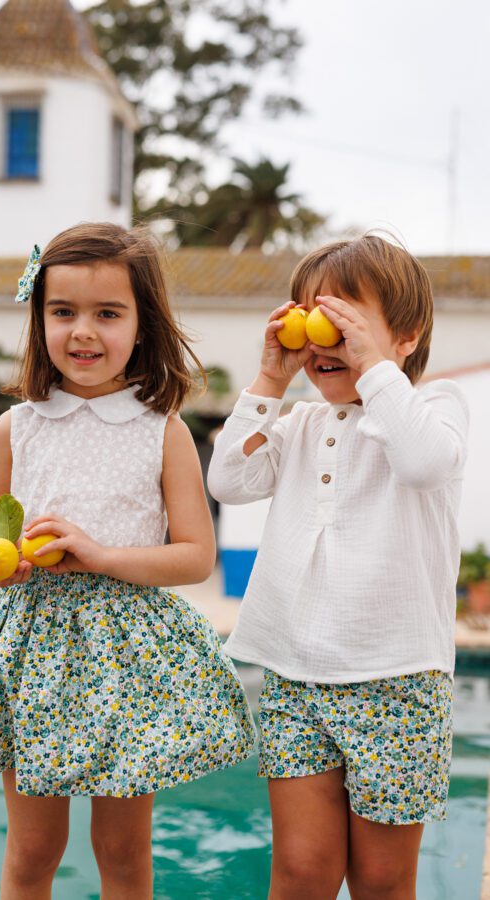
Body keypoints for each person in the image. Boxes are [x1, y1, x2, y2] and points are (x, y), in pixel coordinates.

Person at [0, 222, 255, 900]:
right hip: (32, 646)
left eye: (107, 313)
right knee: (33, 849)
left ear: (142, 324)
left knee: (122, 851)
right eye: (62, 312)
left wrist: (99, 556)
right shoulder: (18, 425)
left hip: (124, 655)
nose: (83, 331)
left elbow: (193, 556)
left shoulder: (165, 430)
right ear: (38, 319)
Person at [207, 234, 469, 900]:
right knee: (300, 871)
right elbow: (229, 480)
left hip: (398, 681)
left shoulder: (433, 410)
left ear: (406, 337)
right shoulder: (297, 423)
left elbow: (422, 462)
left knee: (381, 879)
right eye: (310, 315)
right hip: (296, 677)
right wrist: (271, 376)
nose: (323, 336)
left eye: (344, 319)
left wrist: (375, 369)